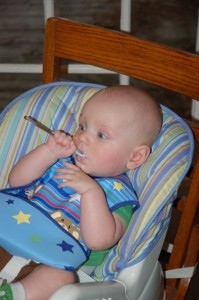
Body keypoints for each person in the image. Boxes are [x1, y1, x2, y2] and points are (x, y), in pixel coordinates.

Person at [0, 85, 162, 300]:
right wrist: (48, 152)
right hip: (8, 237)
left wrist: (90, 191)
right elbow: (17, 181)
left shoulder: (119, 196)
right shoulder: (60, 162)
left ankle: (12, 295)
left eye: (101, 135)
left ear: (135, 157)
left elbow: (99, 241)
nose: (82, 137)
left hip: (52, 264)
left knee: (62, 280)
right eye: (82, 126)